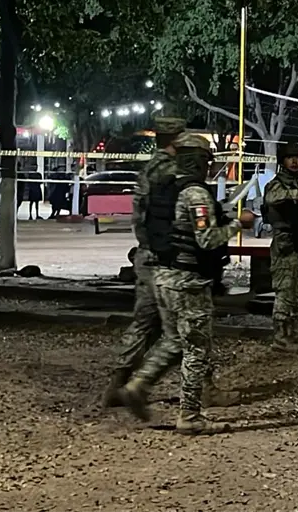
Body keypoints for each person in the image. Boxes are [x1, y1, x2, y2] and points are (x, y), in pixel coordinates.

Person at [115, 132, 253, 434]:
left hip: (162, 276)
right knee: (196, 349)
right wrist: (237, 225)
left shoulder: (164, 189)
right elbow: (206, 239)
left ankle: (138, 385)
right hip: (188, 280)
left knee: (173, 341)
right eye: (206, 160)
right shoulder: (195, 194)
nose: (208, 166)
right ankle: (189, 415)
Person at [262, 142, 298, 353]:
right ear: (282, 161)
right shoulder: (277, 185)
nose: (294, 162)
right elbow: (270, 198)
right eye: (289, 158)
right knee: (285, 291)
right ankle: (281, 337)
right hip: (285, 244)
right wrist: (296, 196)